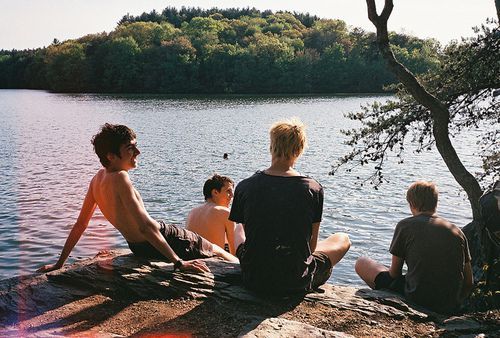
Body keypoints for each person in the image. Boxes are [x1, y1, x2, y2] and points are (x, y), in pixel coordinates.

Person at [38, 123, 237, 274]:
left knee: (216, 252)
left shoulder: (97, 179)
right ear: (111, 156)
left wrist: (59, 264)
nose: (138, 152)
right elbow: (144, 226)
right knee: (219, 252)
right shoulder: (121, 178)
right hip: (167, 238)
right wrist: (178, 262)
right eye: (130, 148)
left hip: (139, 248)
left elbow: (80, 224)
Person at [229, 118, 351, 294]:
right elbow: (312, 245)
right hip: (294, 281)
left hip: (254, 278)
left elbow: (248, 237)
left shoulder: (245, 186)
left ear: (272, 146)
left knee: (238, 227)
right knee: (343, 238)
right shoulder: (313, 188)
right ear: (300, 149)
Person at [355, 181, 473, 314]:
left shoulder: (405, 226)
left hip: (416, 298)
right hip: (449, 304)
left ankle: (387, 299)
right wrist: (454, 303)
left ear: (412, 204)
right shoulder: (457, 232)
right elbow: (468, 282)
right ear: (435, 203)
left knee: (362, 263)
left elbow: (394, 273)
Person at [186, 174, 237, 254]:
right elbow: (234, 251)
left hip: (192, 258)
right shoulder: (225, 213)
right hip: (214, 260)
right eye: (228, 191)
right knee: (240, 228)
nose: (232, 195)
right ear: (215, 192)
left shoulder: (192, 212)